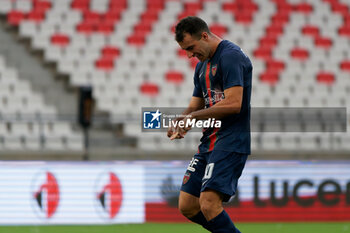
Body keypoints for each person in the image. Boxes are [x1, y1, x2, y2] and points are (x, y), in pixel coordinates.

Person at [167, 16, 252, 233]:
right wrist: (181, 120)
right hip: (209, 141)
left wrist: (193, 118)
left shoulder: (230, 57)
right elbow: (196, 104)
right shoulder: (202, 66)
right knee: (187, 205)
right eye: (185, 50)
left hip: (231, 139)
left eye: (191, 48)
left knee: (208, 203)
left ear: (204, 36)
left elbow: (234, 104)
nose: (189, 55)